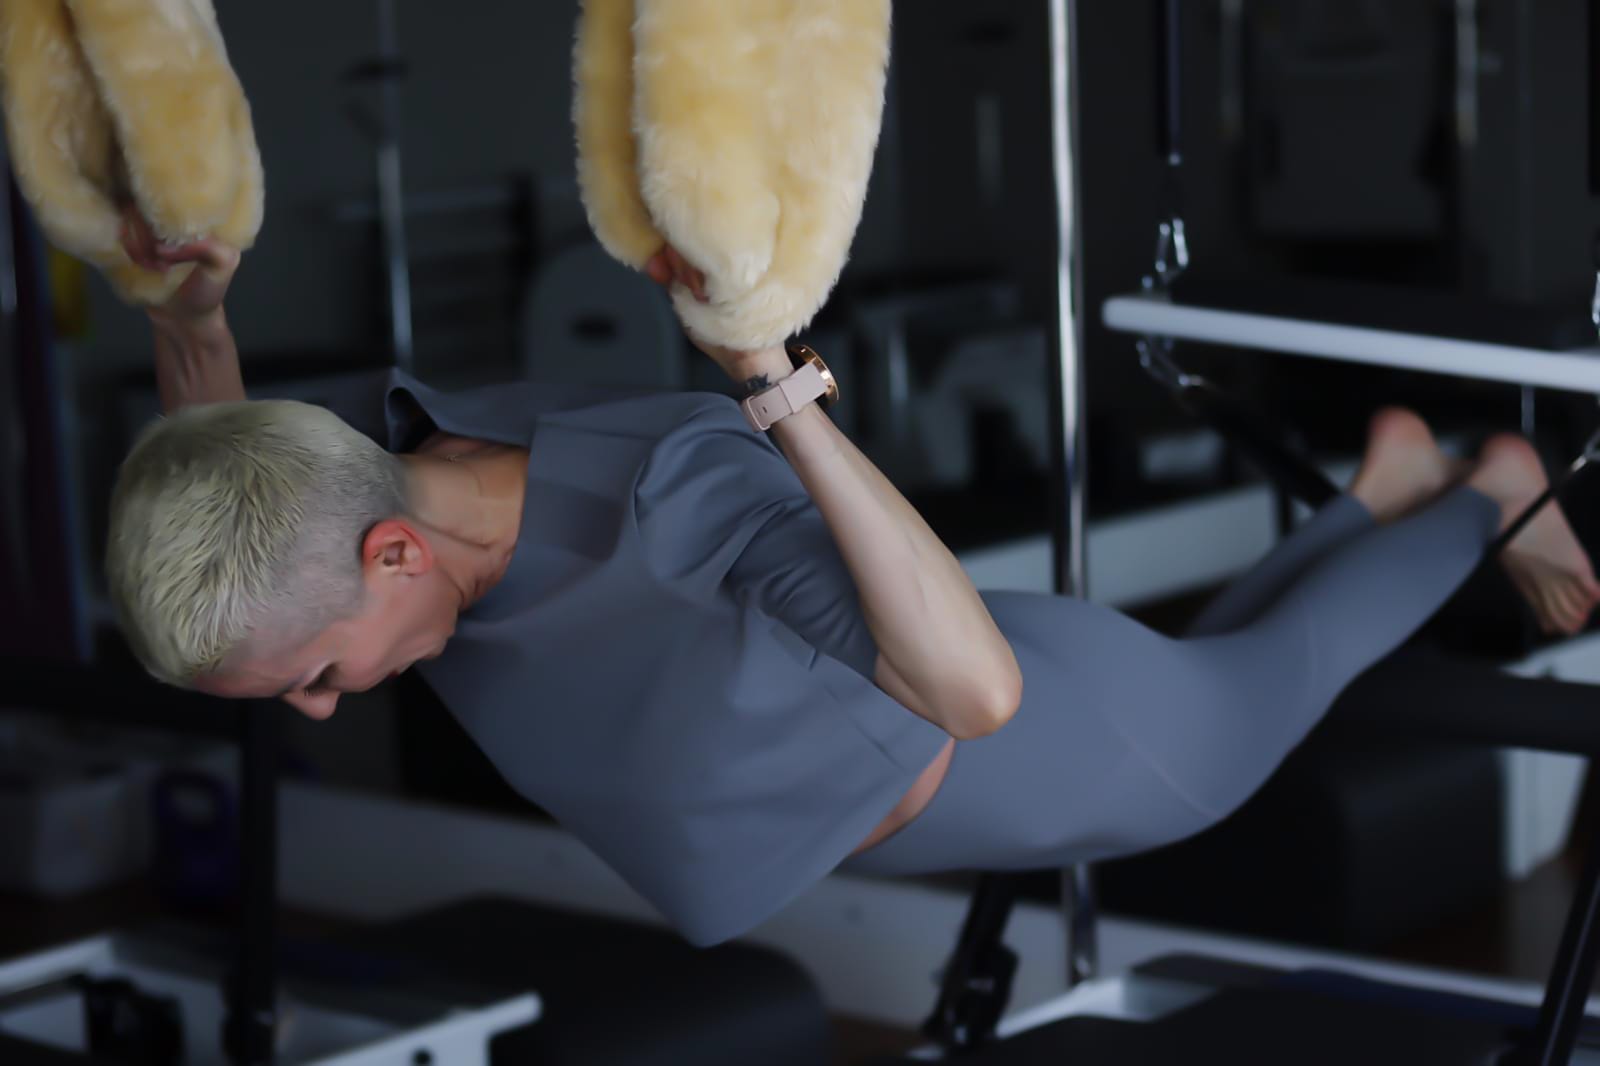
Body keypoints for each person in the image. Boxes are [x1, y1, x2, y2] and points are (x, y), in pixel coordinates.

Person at [105, 217, 1600, 944]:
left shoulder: (678, 501)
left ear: (395, 556)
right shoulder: (359, 469)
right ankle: (1385, 487)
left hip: (1038, 742)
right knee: (1241, 660)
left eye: (318, 674)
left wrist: (772, 387)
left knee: (1278, 681)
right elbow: (213, 457)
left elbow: (980, 695)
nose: (320, 706)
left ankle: (1488, 492)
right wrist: (192, 313)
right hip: (902, 671)